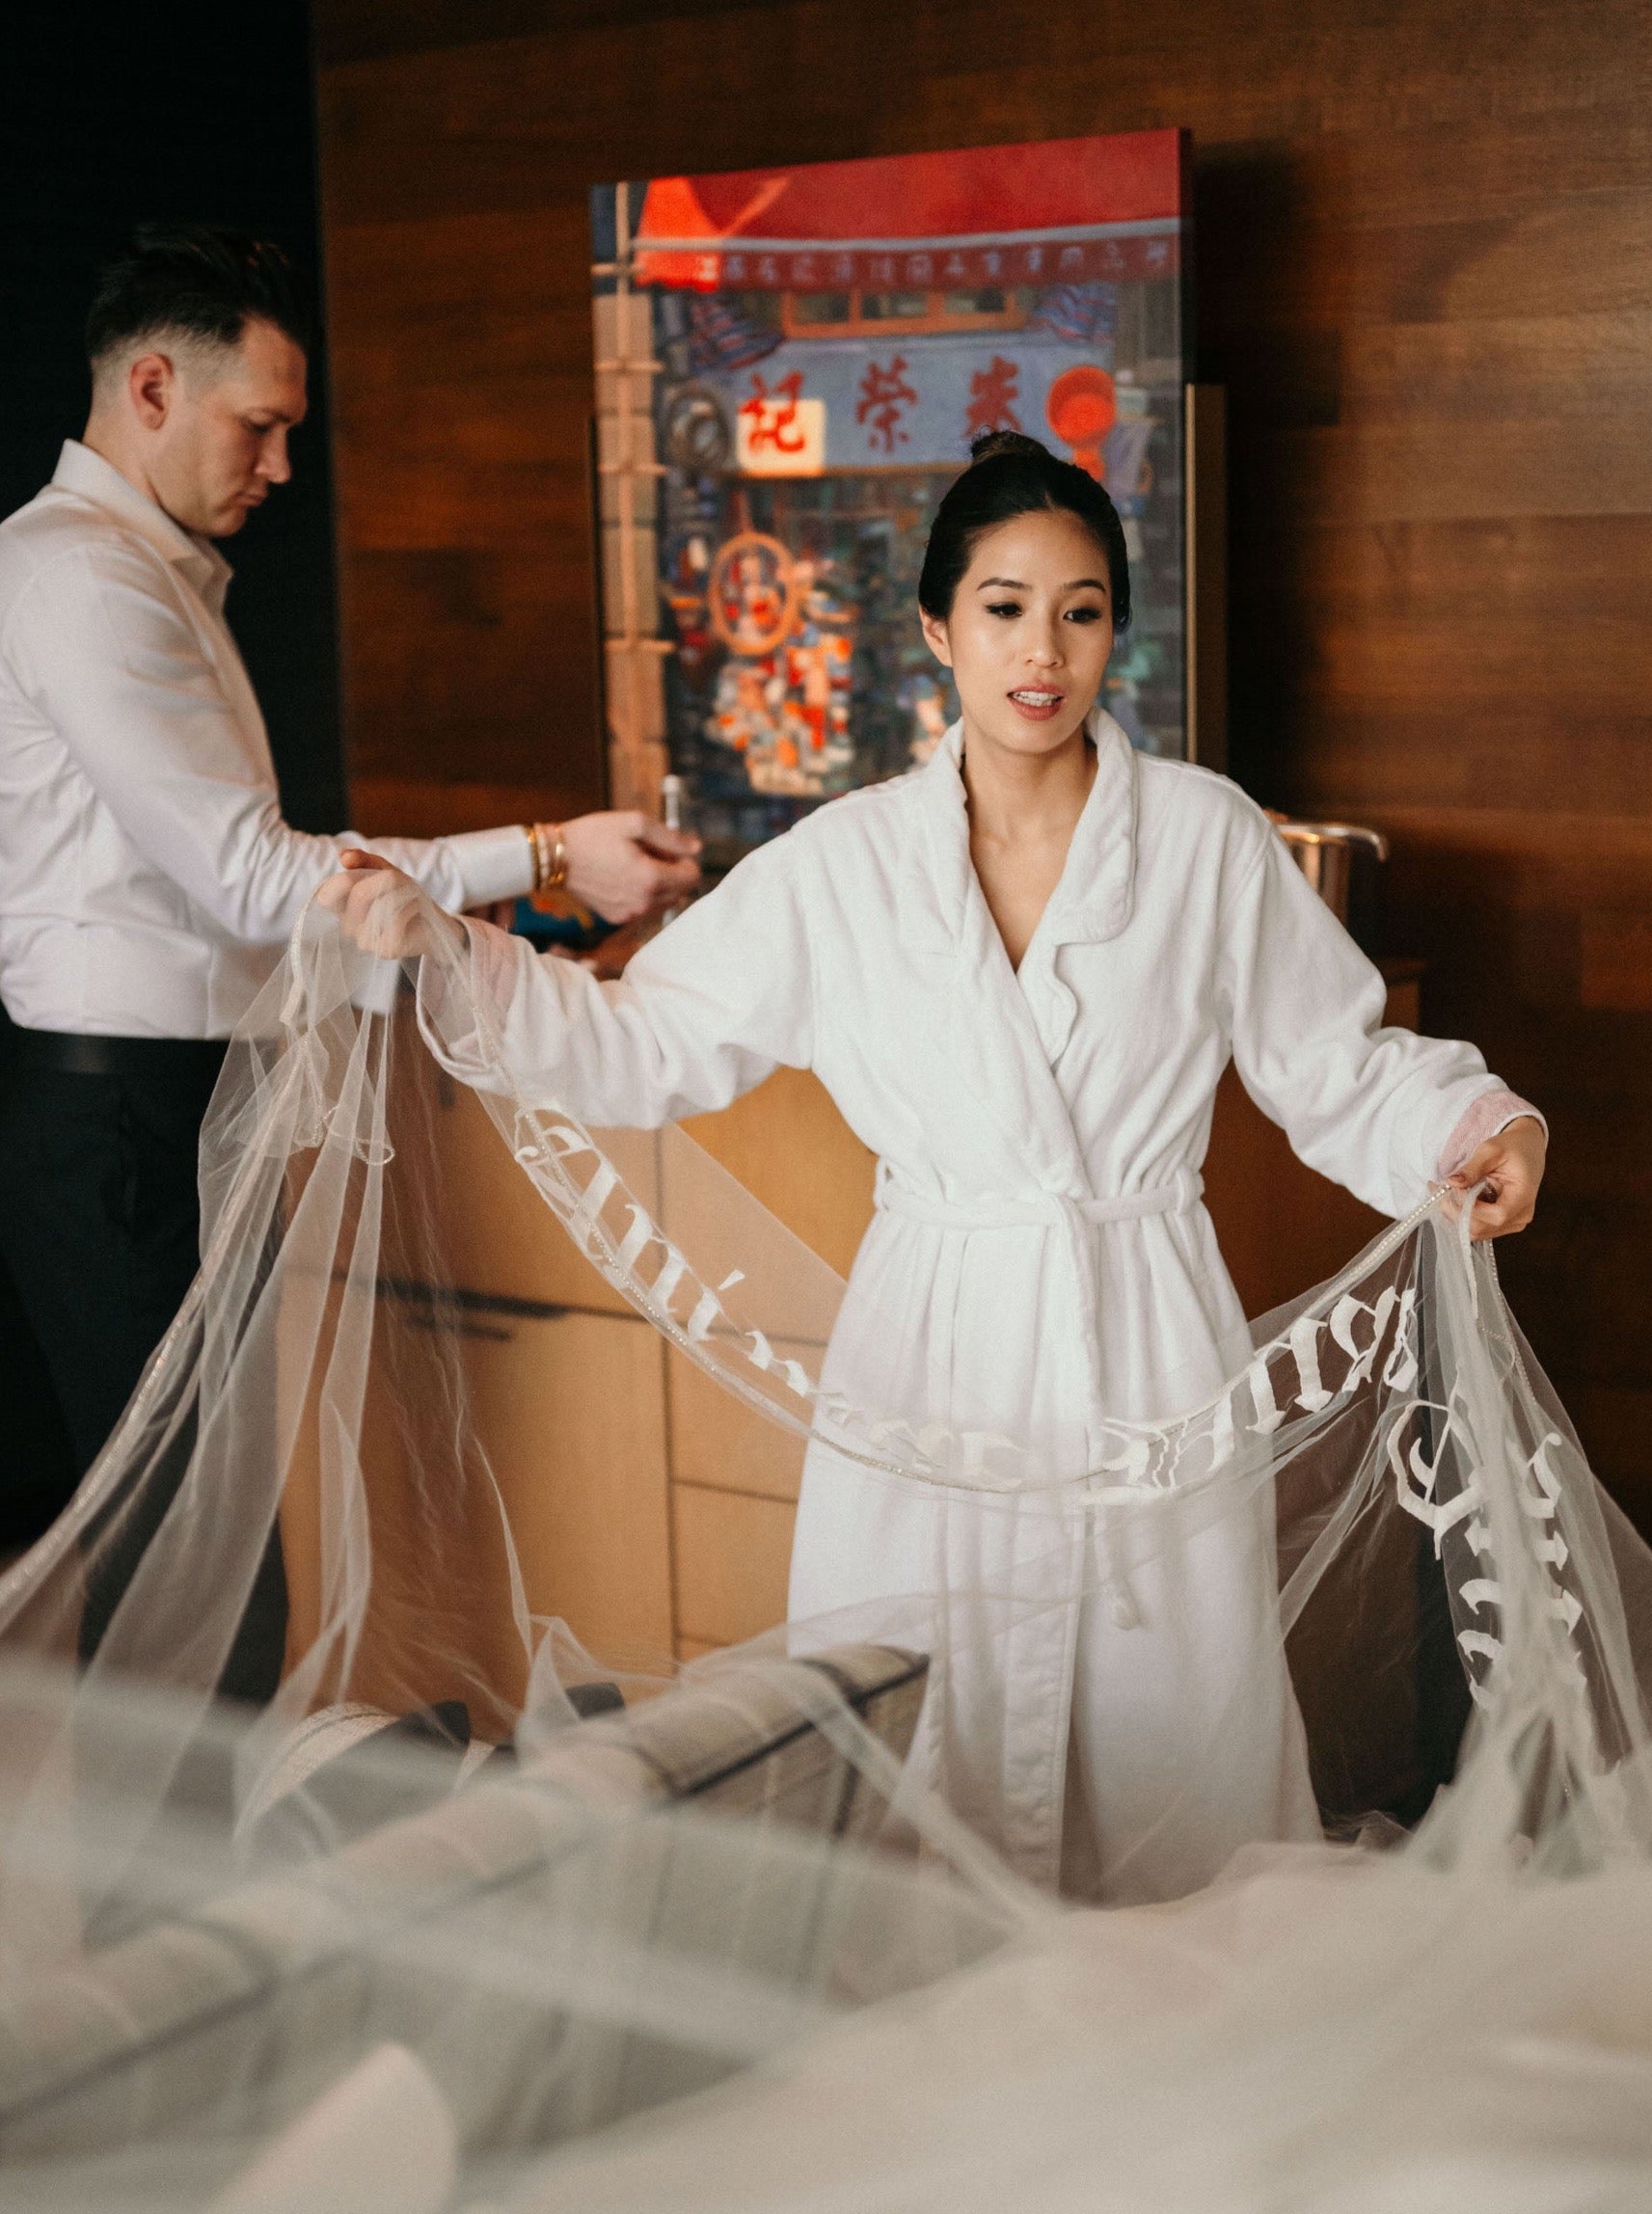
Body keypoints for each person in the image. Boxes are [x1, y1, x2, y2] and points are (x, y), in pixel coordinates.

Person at [319, 431, 1547, 1896]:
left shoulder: (1207, 840)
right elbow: (649, 1044)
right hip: (926, 1367)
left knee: (1172, 1738)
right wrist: (452, 952)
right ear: (936, 631)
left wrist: (1475, 1125)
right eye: (1005, 607)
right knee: (921, 1732)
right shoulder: (842, 864)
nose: (1043, 650)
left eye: (1082, 609)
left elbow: (1332, 1064)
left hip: (1143, 1346)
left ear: (1114, 632)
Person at [0, 224, 698, 1683]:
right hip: (117, 1125)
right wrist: (551, 850)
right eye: (260, 427)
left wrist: (517, 892)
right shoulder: (80, 575)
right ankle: (184, 1916)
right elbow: (257, 878)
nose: (281, 466)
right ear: (148, 389)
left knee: (208, 1563)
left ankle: (188, 1903)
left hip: (174, 1108)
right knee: (185, 1589)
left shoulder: (151, 569)